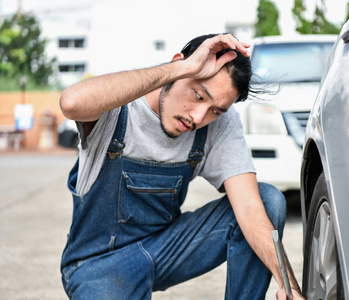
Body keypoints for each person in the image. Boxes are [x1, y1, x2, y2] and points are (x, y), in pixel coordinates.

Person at [59, 33, 303, 299]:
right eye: (198, 95)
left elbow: (250, 207)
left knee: (268, 200)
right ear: (178, 66)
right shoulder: (117, 106)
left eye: (216, 110)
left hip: (166, 251)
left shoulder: (219, 123)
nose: (199, 117)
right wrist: (182, 68)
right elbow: (71, 102)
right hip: (99, 264)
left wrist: (290, 288)